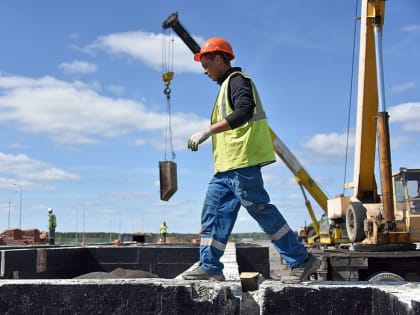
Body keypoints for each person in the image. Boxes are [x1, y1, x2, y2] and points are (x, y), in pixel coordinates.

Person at [182, 37, 321, 282]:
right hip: (225, 168)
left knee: (261, 211)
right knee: (213, 213)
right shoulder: (225, 87)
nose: (204, 71)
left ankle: (301, 260)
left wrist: (208, 130)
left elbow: (244, 111)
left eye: (206, 64)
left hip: (242, 162)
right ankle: (210, 266)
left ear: (218, 59)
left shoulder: (237, 81)